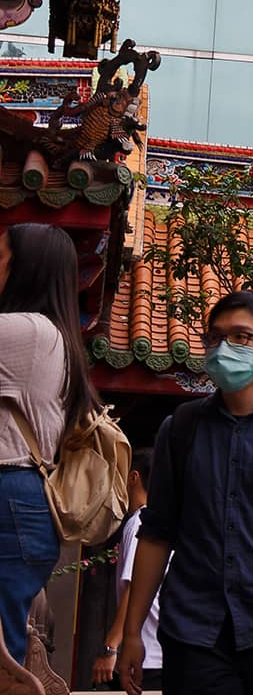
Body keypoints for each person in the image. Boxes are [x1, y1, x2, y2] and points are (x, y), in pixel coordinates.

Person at [118, 289, 253, 695]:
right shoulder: (181, 428)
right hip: (194, 635)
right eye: (215, 338)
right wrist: (132, 633)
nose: (223, 349)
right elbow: (157, 534)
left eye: (240, 337)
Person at [0, 225, 98, 672]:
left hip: (10, 495)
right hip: (22, 500)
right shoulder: (53, 333)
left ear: (24, 267)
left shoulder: (25, 331)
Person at [94, 448, 160, 691]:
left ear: (133, 477)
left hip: (146, 654)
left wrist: (111, 648)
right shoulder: (158, 523)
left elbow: (136, 586)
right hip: (156, 651)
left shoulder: (140, 523)